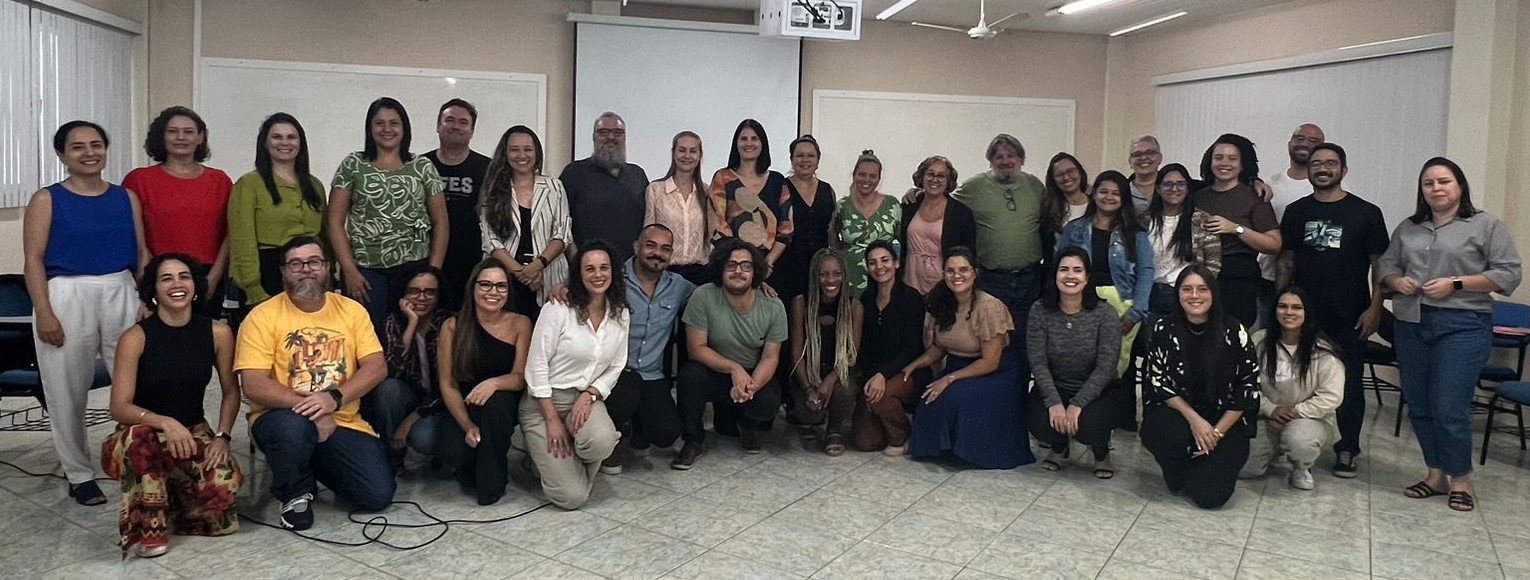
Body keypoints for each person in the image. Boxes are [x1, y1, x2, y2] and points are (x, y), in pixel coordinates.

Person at [1380, 157, 1522, 512]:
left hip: (1463, 324)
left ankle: (1461, 479)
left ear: (1459, 185)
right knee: (1420, 404)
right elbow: (1387, 266)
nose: (1436, 188)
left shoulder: (1485, 225)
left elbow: (1508, 274)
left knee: (1449, 407)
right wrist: (1397, 281)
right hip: (1412, 322)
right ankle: (1435, 475)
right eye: (1429, 183)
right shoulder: (1409, 228)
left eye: (1444, 181)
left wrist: (1456, 283)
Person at [23, 120, 148, 506]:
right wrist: (44, 311)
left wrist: (145, 299)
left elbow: (143, 253)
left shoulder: (126, 197)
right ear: (62, 154)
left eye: (96, 144)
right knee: (66, 389)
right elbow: (33, 260)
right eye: (78, 147)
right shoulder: (47, 199)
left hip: (120, 289)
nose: (89, 152)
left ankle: (138, 461)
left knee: (136, 384)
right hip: (66, 294)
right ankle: (78, 473)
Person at [236, 236, 395, 530]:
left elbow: (376, 367)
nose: (305, 269)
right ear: (283, 272)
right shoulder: (261, 317)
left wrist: (332, 399)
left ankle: (304, 461)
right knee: (294, 429)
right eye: (295, 264)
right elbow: (254, 384)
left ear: (328, 268)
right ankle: (294, 493)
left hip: (343, 418)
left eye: (314, 262)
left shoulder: (351, 310)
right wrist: (314, 409)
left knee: (376, 495)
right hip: (280, 418)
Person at [103, 254, 242, 558]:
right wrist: (164, 421)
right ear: (153, 290)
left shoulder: (218, 333)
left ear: (195, 285)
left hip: (192, 431)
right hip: (141, 433)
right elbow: (119, 406)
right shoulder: (135, 337)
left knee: (222, 494)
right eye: (166, 278)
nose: (177, 284)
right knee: (140, 440)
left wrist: (222, 436)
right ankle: (149, 529)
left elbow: (232, 392)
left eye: (185, 277)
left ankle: (172, 501)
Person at [1275, 143, 1388, 479]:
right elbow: (1287, 260)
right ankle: (1293, 443)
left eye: (1330, 163)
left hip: (1349, 314)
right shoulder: (1295, 211)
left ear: (1344, 170)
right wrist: (1280, 302)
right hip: (1302, 316)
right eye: (1316, 163)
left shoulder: (1366, 213)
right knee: (1291, 379)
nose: (1323, 168)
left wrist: (1375, 308)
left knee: (1350, 385)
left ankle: (1348, 448)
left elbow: (1378, 264)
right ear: (1307, 170)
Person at [1139, 266, 1260, 509]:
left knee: (1210, 497)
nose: (1194, 296)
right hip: (1181, 415)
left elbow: (1248, 388)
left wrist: (1215, 434)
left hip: (1225, 421)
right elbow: (1157, 382)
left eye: (1202, 289)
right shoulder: (1164, 328)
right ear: (1178, 294)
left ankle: (1200, 463)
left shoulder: (1235, 331)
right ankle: (1178, 465)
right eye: (1187, 289)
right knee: (1160, 432)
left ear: (1213, 293)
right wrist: (1196, 422)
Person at [327, 97, 448, 331]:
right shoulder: (353, 164)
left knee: (410, 336)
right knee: (368, 337)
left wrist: (432, 272)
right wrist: (349, 270)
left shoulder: (421, 166)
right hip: (365, 271)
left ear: (404, 128)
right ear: (370, 128)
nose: (387, 129)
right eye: (379, 123)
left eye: (394, 123)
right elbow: (334, 221)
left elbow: (441, 222)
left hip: (414, 268)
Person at [906, 247, 1031, 469]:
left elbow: (990, 362)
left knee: (955, 398)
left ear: (975, 273)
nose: (957, 276)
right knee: (929, 398)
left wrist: (949, 378)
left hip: (996, 373)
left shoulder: (989, 307)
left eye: (964, 270)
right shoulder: (942, 302)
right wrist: (913, 365)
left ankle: (969, 454)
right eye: (951, 271)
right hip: (960, 367)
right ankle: (942, 450)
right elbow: (939, 348)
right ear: (943, 274)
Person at [523, 241, 626, 509]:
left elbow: (616, 364)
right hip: (543, 403)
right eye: (589, 268)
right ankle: (543, 457)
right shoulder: (558, 308)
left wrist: (591, 394)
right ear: (578, 274)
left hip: (584, 400)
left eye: (604, 268)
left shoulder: (621, 313)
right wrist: (552, 420)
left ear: (613, 271)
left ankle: (556, 462)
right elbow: (536, 366)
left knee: (601, 443)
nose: (597, 274)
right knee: (572, 498)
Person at [672, 239, 788, 469]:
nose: (738, 271)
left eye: (746, 266)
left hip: (753, 373)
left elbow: (770, 357)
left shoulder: (773, 305)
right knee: (690, 376)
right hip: (715, 370)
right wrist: (734, 369)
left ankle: (747, 425)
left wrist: (751, 385)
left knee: (768, 402)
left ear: (755, 271)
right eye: (731, 265)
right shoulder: (703, 296)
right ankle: (693, 440)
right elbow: (696, 349)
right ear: (720, 268)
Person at [600, 225, 695, 474]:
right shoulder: (613, 278)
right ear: (637, 247)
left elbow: (714, 296)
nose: (657, 253)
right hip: (615, 373)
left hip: (653, 375)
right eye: (651, 245)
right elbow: (583, 288)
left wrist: (757, 287)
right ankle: (608, 445)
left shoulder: (679, 286)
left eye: (665, 249)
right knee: (625, 396)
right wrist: (563, 288)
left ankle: (639, 430)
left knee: (666, 433)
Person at [436, 258, 532, 506]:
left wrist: (494, 383)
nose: (493, 292)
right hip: (464, 404)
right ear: (473, 288)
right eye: (486, 285)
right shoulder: (452, 327)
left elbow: (520, 378)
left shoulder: (520, 323)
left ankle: (493, 483)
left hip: (501, 401)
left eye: (501, 286)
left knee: (496, 406)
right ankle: (470, 462)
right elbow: (447, 384)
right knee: (452, 454)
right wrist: (467, 425)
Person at [1026, 248, 1127, 478]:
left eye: (1077, 270)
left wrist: (1078, 403)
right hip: (1057, 386)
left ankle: (1101, 452)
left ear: (1087, 278)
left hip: (1100, 391)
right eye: (1064, 270)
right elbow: (1038, 362)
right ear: (1055, 275)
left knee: (1088, 424)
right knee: (1039, 421)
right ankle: (1059, 447)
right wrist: (1053, 402)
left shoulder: (1105, 314)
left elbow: (1106, 367)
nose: (1070, 276)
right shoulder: (1039, 311)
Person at [123, 107, 232, 316]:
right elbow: (134, 239)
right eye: (172, 131)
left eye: (189, 132)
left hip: (207, 276)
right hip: (158, 276)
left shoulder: (220, 181)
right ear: (161, 136)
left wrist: (213, 279)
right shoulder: (139, 180)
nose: (181, 137)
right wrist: (147, 283)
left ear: (201, 137)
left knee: (203, 343)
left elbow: (230, 235)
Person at [1239, 287, 1344, 491]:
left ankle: (1301, 467)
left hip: (1308, 419)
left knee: (1299, 440)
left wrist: (1297, 412)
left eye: (1296, 308)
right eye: (1283, 306)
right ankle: (1275, 450)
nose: (1289, 312)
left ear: (1307, 313)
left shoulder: (1322, 351)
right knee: (1246, 469)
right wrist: (1270, 409)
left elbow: (1332, 397)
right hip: (1267, 416)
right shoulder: (1258, 341)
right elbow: (1243, 383)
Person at [951, 134, 1046, 358]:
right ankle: (995, 391)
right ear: (990, 160)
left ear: (1021, 159)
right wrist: (916, 194)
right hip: (992, 280)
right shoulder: (974, 187)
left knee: (1025, 342)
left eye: (1011, 155)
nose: (1005, 160)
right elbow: (943, 202)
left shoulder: (1035, 185)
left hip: (1030, 280)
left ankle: (1021, 391)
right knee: (992, 341)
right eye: (998, 156)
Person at [228, 113, 326, 308]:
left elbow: (325, 236)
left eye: (291, 137)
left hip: (311, 275)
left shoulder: (315, 185)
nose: (285, 142)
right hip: (267, 273)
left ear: (301, 143)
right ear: (265, 143)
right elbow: (242, 240)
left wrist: (327, 278)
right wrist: (253, 288)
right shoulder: (249, 184)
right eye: (277, 137)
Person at [366, 263, 453, 471]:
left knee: (424, 439)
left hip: (442, 403)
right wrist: (412, 323)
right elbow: (390, 372)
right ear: (403, 294)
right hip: (408, 395)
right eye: (414, 291)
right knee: (388, 389)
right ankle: (393, 459)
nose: (421, 298)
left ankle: (443, 454)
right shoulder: (393, 322)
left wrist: (410, 421)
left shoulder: (448, 323)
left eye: (429, 292)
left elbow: (451, 385)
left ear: (438, 296)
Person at [1058, 170, 1153, 354]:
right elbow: (1059, 270)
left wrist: (1136, 312)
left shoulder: (1136, 234)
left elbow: (1145, 272)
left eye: (1116, 193)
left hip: (1122, 305)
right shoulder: (1074, 229)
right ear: (1094, 195)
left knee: (1120, 368)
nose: (1109, 197)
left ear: (1124, 199)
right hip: (1079, 304)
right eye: (1103, 191)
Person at [481, 125, 571, 317]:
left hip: (548, 276)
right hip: (505, 277)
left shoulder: (554, 186)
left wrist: (537, 266)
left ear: (536, 153)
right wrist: (522, 273)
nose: (521, 155)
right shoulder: (493, 188)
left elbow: (562, 235)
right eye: (514, 150)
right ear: (505, 154)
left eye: (527, 149)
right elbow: (491, 241)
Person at [1193, 134, 1281, 328]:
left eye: (1232, 158)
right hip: (1199, 274)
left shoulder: (1254, 196)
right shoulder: (1197, 194)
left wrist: (1236, 228)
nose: (1224, 163)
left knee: (1233, 337)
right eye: (1218, 157)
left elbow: (1274, 244)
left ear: (1242, 164)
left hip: (1238, 277)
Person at [851, 241, 926, 455]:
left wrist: (883, 375)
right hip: (874, 372)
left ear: (896, 263)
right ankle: (889, 416)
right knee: (865, 442)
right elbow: (864, 345)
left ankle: (903, 435)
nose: (879, 267)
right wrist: (869, 377)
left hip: (908, 371)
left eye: (885, 260)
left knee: (881, 397)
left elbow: (912, 348)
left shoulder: (911, 299)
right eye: (872, 262)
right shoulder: (866, 299)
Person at [788, 248, 861, 455]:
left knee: (845, 389)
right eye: (824, 274)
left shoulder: (854, 306)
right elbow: (796, 354)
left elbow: (851, 353)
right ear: (815, 276)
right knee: (810, 413)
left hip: (838, 371)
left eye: (837, 274)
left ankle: (834, 428)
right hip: (809, 371)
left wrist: (829, 381)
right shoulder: (800, 303)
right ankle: (808, 422)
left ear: (844, 276)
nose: (831, 280)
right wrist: (809, 388)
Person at [423, 99, 492, 312]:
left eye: (463, 122)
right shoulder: (420, 166)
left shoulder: (488, 168)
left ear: (472, 130)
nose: (455, 126)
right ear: (438, 125)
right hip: (426, 259)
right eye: (449, 120)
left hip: (471, 262)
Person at [1257, 124, 1325, 328]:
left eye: (1313, 141)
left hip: (1310, 281)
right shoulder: (1268, 184)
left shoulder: (1329, 188)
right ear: (1290, 143)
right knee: (1269, 339)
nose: (1305, 143)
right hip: (1268, 277)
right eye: (1299, 138)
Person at [560, 112, 648, 265]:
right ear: (594, 137)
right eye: (603, 132)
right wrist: (577, 265)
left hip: (631, 274)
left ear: (625, 137)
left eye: (618, 133)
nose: (611, 138)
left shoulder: (637, 175)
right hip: (589, 270)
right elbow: (561, 225)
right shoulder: (573, 173)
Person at [709, 119, 794, 277]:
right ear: (736, 143)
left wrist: (767, 263)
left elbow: (786, 228)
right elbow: (718, 224)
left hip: (771, 266)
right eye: (743, 139)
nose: (749, 143)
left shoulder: (777, 180)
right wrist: (741, 263)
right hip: (733, 268)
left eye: (754, 139)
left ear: (763, 143)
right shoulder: (723, 177)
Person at [1142, 163, 1221, 316]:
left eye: (1180, 184)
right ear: (1158, 188)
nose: (1174, 188)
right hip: (1147, 293)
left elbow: (1213, 264)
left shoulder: (1201, 220)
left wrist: (1198, 292)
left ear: (1187, 188)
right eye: (1168, 184)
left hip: (1184, 294)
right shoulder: (1144, 221)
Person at [644, 131, 713, 286]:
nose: (687, 156)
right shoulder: (656, 190)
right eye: (682, 150)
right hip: (664, 272)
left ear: (700, 155)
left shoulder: (707, 192)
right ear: (673, 153)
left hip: (700, 274)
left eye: (693, 151)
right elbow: (648, 233)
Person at [899, 155, 975, 294]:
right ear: (922, 177)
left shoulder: (961, 213)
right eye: (930, 174)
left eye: (941, 176)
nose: (935, 179)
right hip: (910, 282)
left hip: (945, 285)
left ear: (948, 181)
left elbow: (969, 254)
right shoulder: (909, 205)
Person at [774, 134, 836, 302]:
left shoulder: (827, 190)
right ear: (791, 158)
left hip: (819, 268)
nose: (805, 160)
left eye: (810, 155)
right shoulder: (781, 188)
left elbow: (831, 230)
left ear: (818, 159)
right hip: (788, 266)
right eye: (800, 155)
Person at [832, 150, 901, 297]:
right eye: (862, 174)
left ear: (879, 178)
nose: (866, 179)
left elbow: (904, 240)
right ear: (854, 175)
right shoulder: (842, 206)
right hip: (850, 279)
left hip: (883, 279)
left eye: (872, 176)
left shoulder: (892, 205)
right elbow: (833, 239)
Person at [1042, 152, 1091, 254]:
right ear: (1053, 180)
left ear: (1080, 172)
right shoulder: (1048, 209)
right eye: (1059, 175)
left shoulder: (1096, 205)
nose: (1066, 177)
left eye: (1071, 171)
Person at [1126, 136, 1164, 214]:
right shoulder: (1122, 191)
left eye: (1150, 153)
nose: (1143, 158)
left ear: (1160, 158)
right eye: (1137, 154)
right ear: (1130, 162)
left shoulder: (1173, 189)